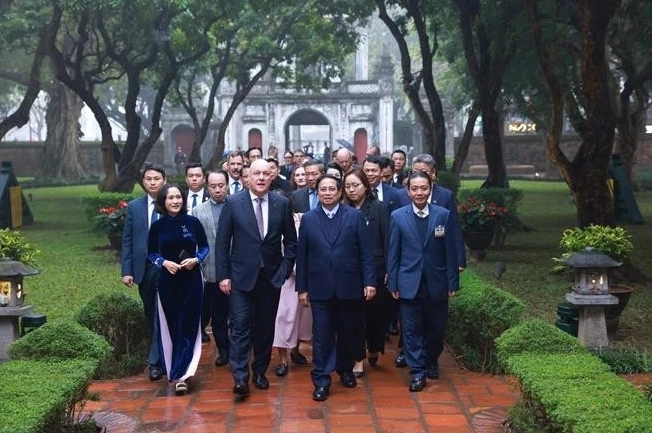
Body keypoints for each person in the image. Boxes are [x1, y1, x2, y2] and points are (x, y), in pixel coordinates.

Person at [216, 159, 297, 398]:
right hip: (240, 278)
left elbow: (291, 242)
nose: (261, 178)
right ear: (247, 177)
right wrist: (223, 275)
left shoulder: (282, 203)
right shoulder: (233, 203)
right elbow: (222, 242)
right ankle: (240, 378)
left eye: (265, 174)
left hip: (271, 278)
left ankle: (259, 371)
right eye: (256, 174)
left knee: (264, 328)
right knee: (240, 327)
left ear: (272, 176)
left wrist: (284, 269)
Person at [296, 174, 376, 402]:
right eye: (323, 189)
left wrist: (369, 282)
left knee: (348, 332)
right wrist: (302, 289)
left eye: (332, 189)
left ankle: (345, 369)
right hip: (320, 288)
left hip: (349, 286)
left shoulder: (355, 216)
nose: (328, 193)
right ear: (318, 193)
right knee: (321, 335)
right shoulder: (309, 219)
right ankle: (321, 379)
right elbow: (302, 256)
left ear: (340, 192)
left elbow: (366, 253)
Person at [387, 171, 459, 392]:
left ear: (430, 189)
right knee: (410, 330)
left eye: (423, 188)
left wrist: (452, 282)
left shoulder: (443, 215)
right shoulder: (398, 216)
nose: (419, 192)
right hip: (408, 283)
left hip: (436, 283)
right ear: (408, 191)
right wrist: (393, 283)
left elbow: (451, 252)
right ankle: (418, 371)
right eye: (414, 188)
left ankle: (430, 360)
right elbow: (394, 253)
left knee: (436, 329)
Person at [147, 183, 209, 395]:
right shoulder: (157, 227)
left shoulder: (193, 222)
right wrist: (163, 263)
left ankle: (183, 375)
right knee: (173, 325)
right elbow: (152, 253)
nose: (175, 201)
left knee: (189, 325)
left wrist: (196, 259)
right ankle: (174, 368)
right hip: (167, 281)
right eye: (170, 198)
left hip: (192, 280)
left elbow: (204, 247)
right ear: (163, 201)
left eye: (178, 197)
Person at [341, 169, 389, 378]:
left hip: (377, 271)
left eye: (356, 185)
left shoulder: (379, 209)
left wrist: (389, 269)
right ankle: (357, 359)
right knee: (354, 318)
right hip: (351, 272)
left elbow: (388, 240)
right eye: (348, 186)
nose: (352, 190)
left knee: (375, 317)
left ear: (366, 186)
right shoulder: (342, 210)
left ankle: (375, 346)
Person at [121, 163, 167, 382]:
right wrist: (127, 270)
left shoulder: (173, 203)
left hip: (168, 268)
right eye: (148, 179)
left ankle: (156, 362)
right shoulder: (135, 207)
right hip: (144, 268)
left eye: (156, 178)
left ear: (164, 181)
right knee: (151, 313)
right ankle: (160, 352)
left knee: (162, 313)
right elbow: (128, 240)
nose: (152, 182)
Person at [192, 170, 230, 367]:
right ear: (208, 187)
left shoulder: (238, 205)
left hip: (237, 270)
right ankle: (224, 350)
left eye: (221, 185)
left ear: (227, 184)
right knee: (218, 315)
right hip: (211, 270)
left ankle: (240, 348)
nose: (217, 190)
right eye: (213, 186)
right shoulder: (198, 211)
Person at [272, 210, 312, 378]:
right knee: (283, 318)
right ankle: (283, 359)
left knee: (304, 319)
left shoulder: (302, 222)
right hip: (284, 280)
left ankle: (295, 350)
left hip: (306, 279)